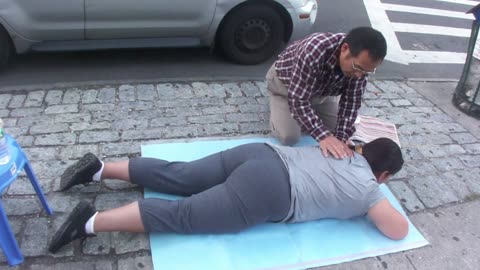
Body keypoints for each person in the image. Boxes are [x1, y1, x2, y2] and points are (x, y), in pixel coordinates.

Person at [48, 138, 407, 253]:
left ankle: (99, 168)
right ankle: (90, 222)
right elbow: (399, 231)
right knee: (183, 215)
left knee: (180, 174)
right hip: (270, 190)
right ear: (385, 175)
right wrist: (376, 193)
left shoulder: (339, 148)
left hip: (258, 153)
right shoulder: (369, 191)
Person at [267, 26, 387, 159]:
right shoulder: (313, 49)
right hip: (287, 88)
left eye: (366, 71)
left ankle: (314, 109)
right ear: (345, 49)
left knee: (341, 131)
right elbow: (299, 100)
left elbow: (351, 103)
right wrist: (323, 136)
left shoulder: (361, 67)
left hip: (321, 94)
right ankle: (276, 101)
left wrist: (341, 139)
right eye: (357, 68)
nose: (359, 75)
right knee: (289, 137)